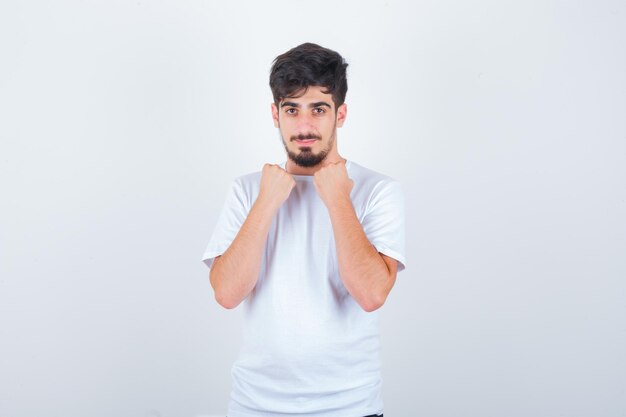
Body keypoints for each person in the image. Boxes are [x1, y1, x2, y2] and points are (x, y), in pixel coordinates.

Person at [202, 42, 406, 417]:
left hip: (350, 406)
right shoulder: (247, 190)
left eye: (319, 109)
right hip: (255, 406)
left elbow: (372, 294)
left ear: (340, 114)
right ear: (275, 114)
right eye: (292, 109)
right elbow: (227, 294)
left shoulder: (378, 190)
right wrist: (267, 202)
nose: (305, 126)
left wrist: (338, 200)